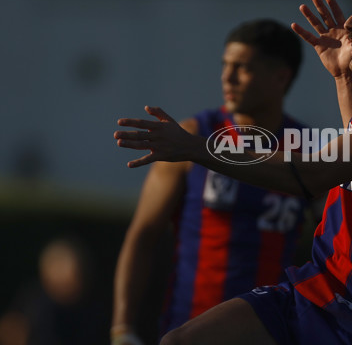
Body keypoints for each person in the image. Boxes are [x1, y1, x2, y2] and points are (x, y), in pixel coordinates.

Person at [114, 0, 352, 345]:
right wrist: (343, 78)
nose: (351, 22)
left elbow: (312, 175)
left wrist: (196, 147)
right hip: (315, 291)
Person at [110, 19, 313, 345]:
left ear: (281, 77)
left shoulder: (307, 151)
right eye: (225, 65)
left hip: (268, 334)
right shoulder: (190, 136)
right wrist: (122, 329)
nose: (227, 77)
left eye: (242, 67)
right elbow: (143, 236)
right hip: (187, 329)